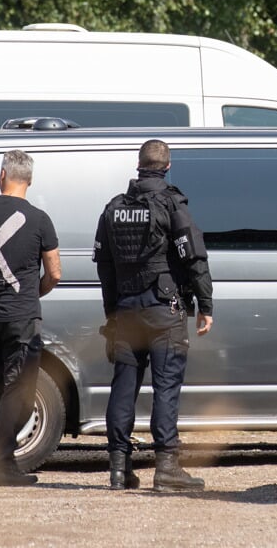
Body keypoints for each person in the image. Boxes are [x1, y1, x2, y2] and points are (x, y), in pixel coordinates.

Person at [94, 139, 213, 492]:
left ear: (139, 165)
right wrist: (206, 306)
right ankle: (167, 468)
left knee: (124, 385)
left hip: (126, 310)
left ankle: (118, 469)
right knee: (166, 386)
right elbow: (194, 258)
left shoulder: (113, 208)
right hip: (164, 311)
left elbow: (104, 267)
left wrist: (112, 313)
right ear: (167, 165)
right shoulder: (172, 204)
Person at [0, 149, 61, 486]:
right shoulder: (39, 219)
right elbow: (54, 271)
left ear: (2, 175)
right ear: (30, 180)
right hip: (20, 316)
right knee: (19, 390)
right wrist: (33, 291)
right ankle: (2, 465)